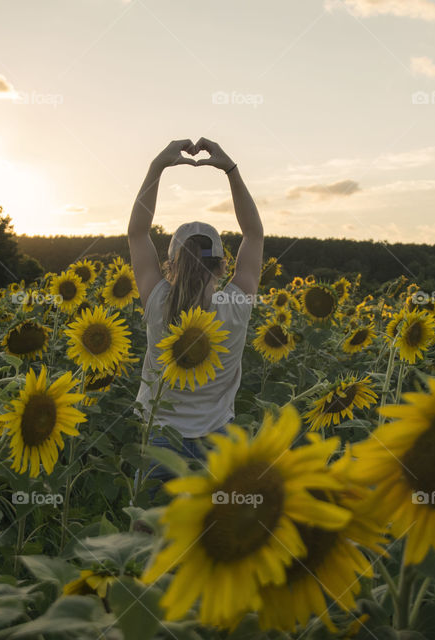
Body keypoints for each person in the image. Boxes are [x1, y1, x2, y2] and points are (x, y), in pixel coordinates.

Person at [128, 137, 263, 494]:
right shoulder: (236, 306)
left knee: (147, 536)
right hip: (215, 443)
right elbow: (254, 233)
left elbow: (137, 232)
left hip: (161, 438)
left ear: (170, 265)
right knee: (207, 537)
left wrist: (157, 165)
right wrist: (230, 170)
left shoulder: (157, 302)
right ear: (223, 265)